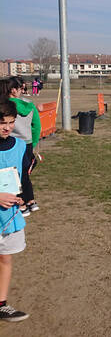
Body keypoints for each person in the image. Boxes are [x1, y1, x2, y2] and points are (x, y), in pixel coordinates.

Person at [0, 100, 31, 322]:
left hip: (9, 217)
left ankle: (1, 304)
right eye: (2, 123)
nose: (7, 127)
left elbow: (22, 177)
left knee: (5, 259)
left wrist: (24, 199)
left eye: (11, 122)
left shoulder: (19, 146)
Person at [0, 78, 40, 216]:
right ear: (14, 90)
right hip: (27, 142)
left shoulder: (7, 105)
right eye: (21, 89)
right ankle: (30, 201)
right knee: (23, 175)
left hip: (16, 144)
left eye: (12, 122)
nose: (7, 127)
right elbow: (37, 125)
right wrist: (33, 142)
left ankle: (21, 202)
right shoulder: (29, 104)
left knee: (17, 175)